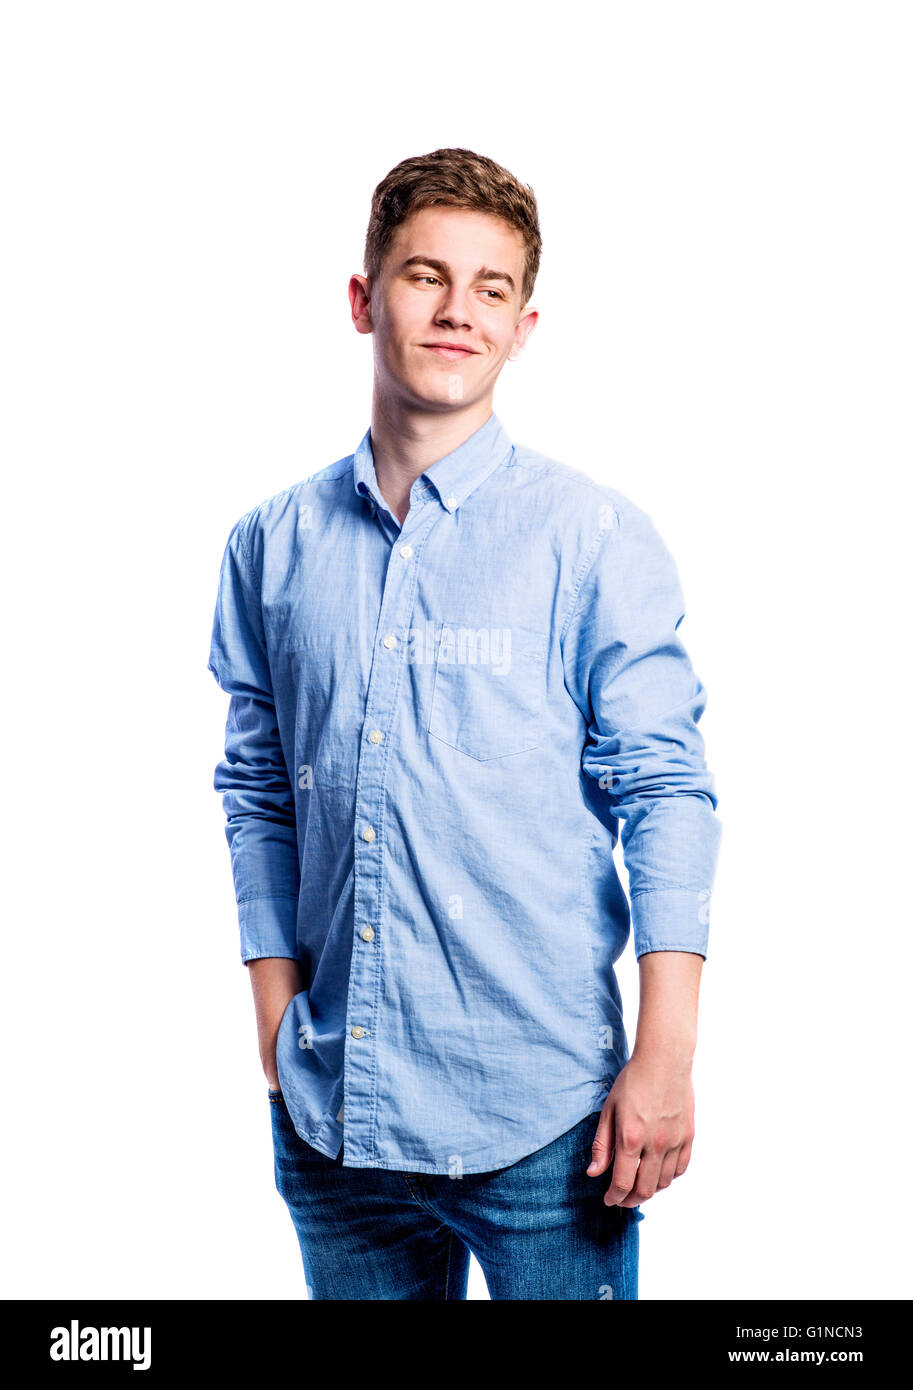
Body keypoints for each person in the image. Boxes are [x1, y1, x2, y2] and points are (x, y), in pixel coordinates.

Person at [208, 146, 722, 1301]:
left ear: (524, 325)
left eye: (490, 288)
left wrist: (666, 1054)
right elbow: (255, 791)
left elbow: (666, 792)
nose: (456, 311)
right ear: (362, 298)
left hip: (547, 1126)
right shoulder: (269, 547)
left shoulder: (590, 538)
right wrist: (278, 1028)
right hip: (338, 1120)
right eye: (423, 275)